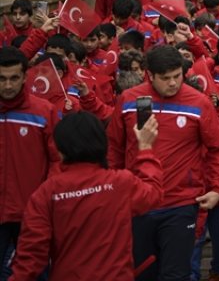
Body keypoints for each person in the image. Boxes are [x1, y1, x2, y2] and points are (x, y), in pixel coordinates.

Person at [109, 44, 219, 281]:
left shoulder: (198, 103)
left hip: (181, 204)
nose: (174, 83)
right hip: (137, 204)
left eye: (177, 76)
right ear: (149, 75)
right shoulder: (128, 101)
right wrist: (114, 192)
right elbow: (113, 148)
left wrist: (218, 188)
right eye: (166, 79)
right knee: (142, 273)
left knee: (176, 274)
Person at [11, 112, 163, 281]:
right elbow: (153, 194)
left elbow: (31, 257)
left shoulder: (47, 193)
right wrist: (146, 149)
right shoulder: (120, 183)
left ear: (60, 149)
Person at [0, 47, 62, 268]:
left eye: (14, 78)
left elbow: (57, 160)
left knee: (34, 271)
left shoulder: (44, 111)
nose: (8, 85)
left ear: (25, 77)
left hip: (31, 214)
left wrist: (45, 198)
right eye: (2, 79)